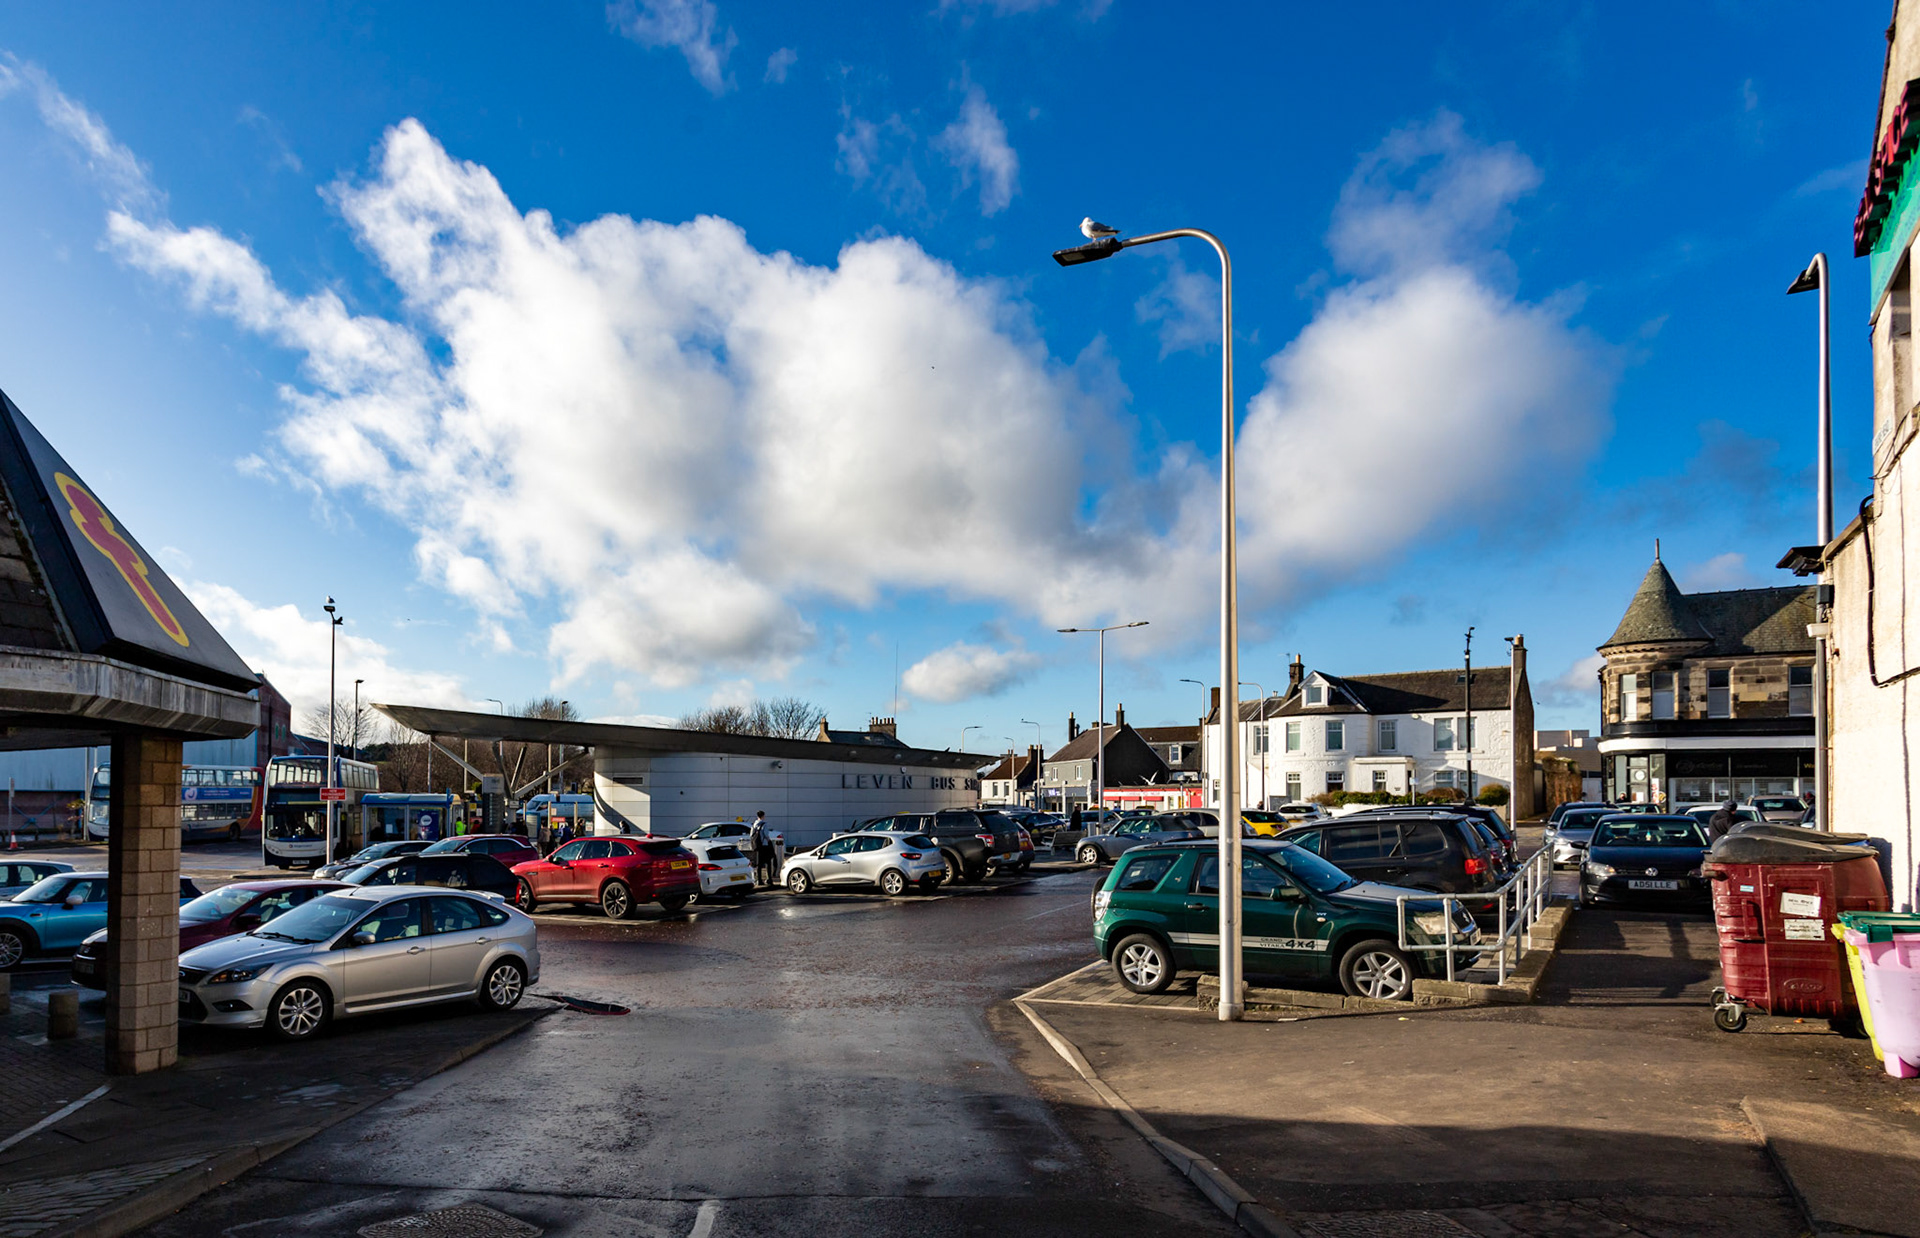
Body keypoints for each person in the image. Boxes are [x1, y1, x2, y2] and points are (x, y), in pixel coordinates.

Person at [751, 811, 776, 886]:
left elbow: (751, 834)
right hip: (764, 846)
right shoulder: (764, 824)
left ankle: (759, 880)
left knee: (759, 863)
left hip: (758, 846)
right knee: (768, 862)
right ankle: (769, 879)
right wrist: (769, 842)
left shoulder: (754, 824)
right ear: (763, 816)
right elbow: (766, 835)